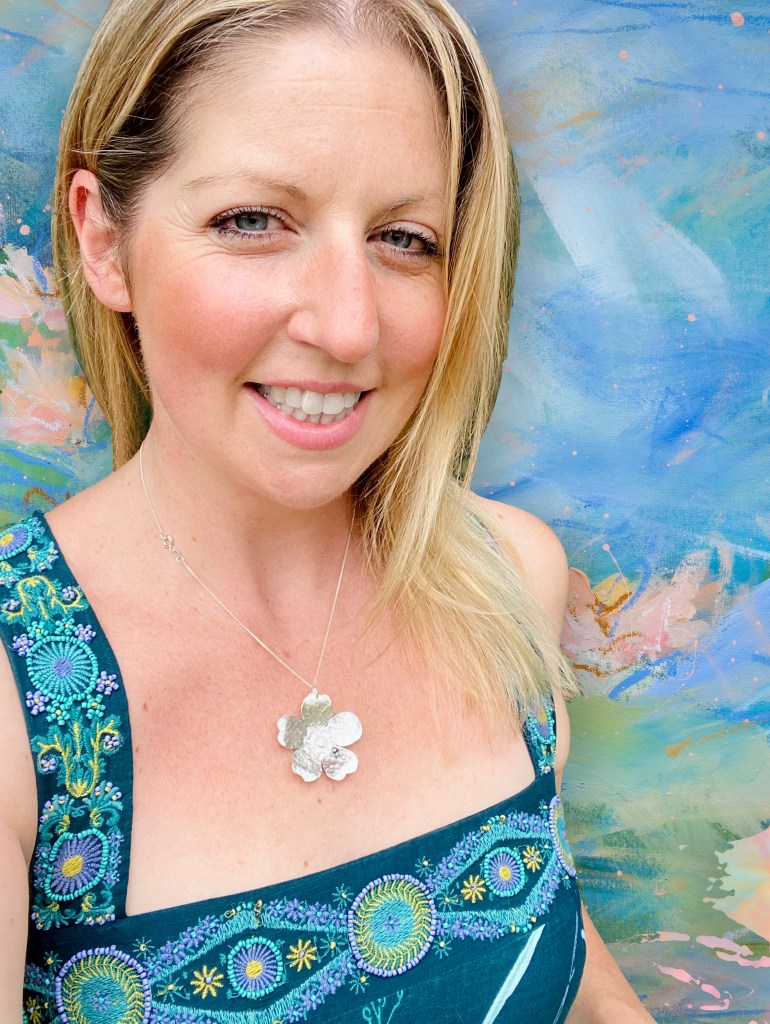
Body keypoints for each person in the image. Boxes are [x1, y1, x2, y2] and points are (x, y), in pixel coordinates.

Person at [0, 0, 656, 1020]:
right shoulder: (16, 696)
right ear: (103, 238)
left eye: (403, 238)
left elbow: (564, 970)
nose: (349, 326)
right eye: (253, 222)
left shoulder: (502, 579)